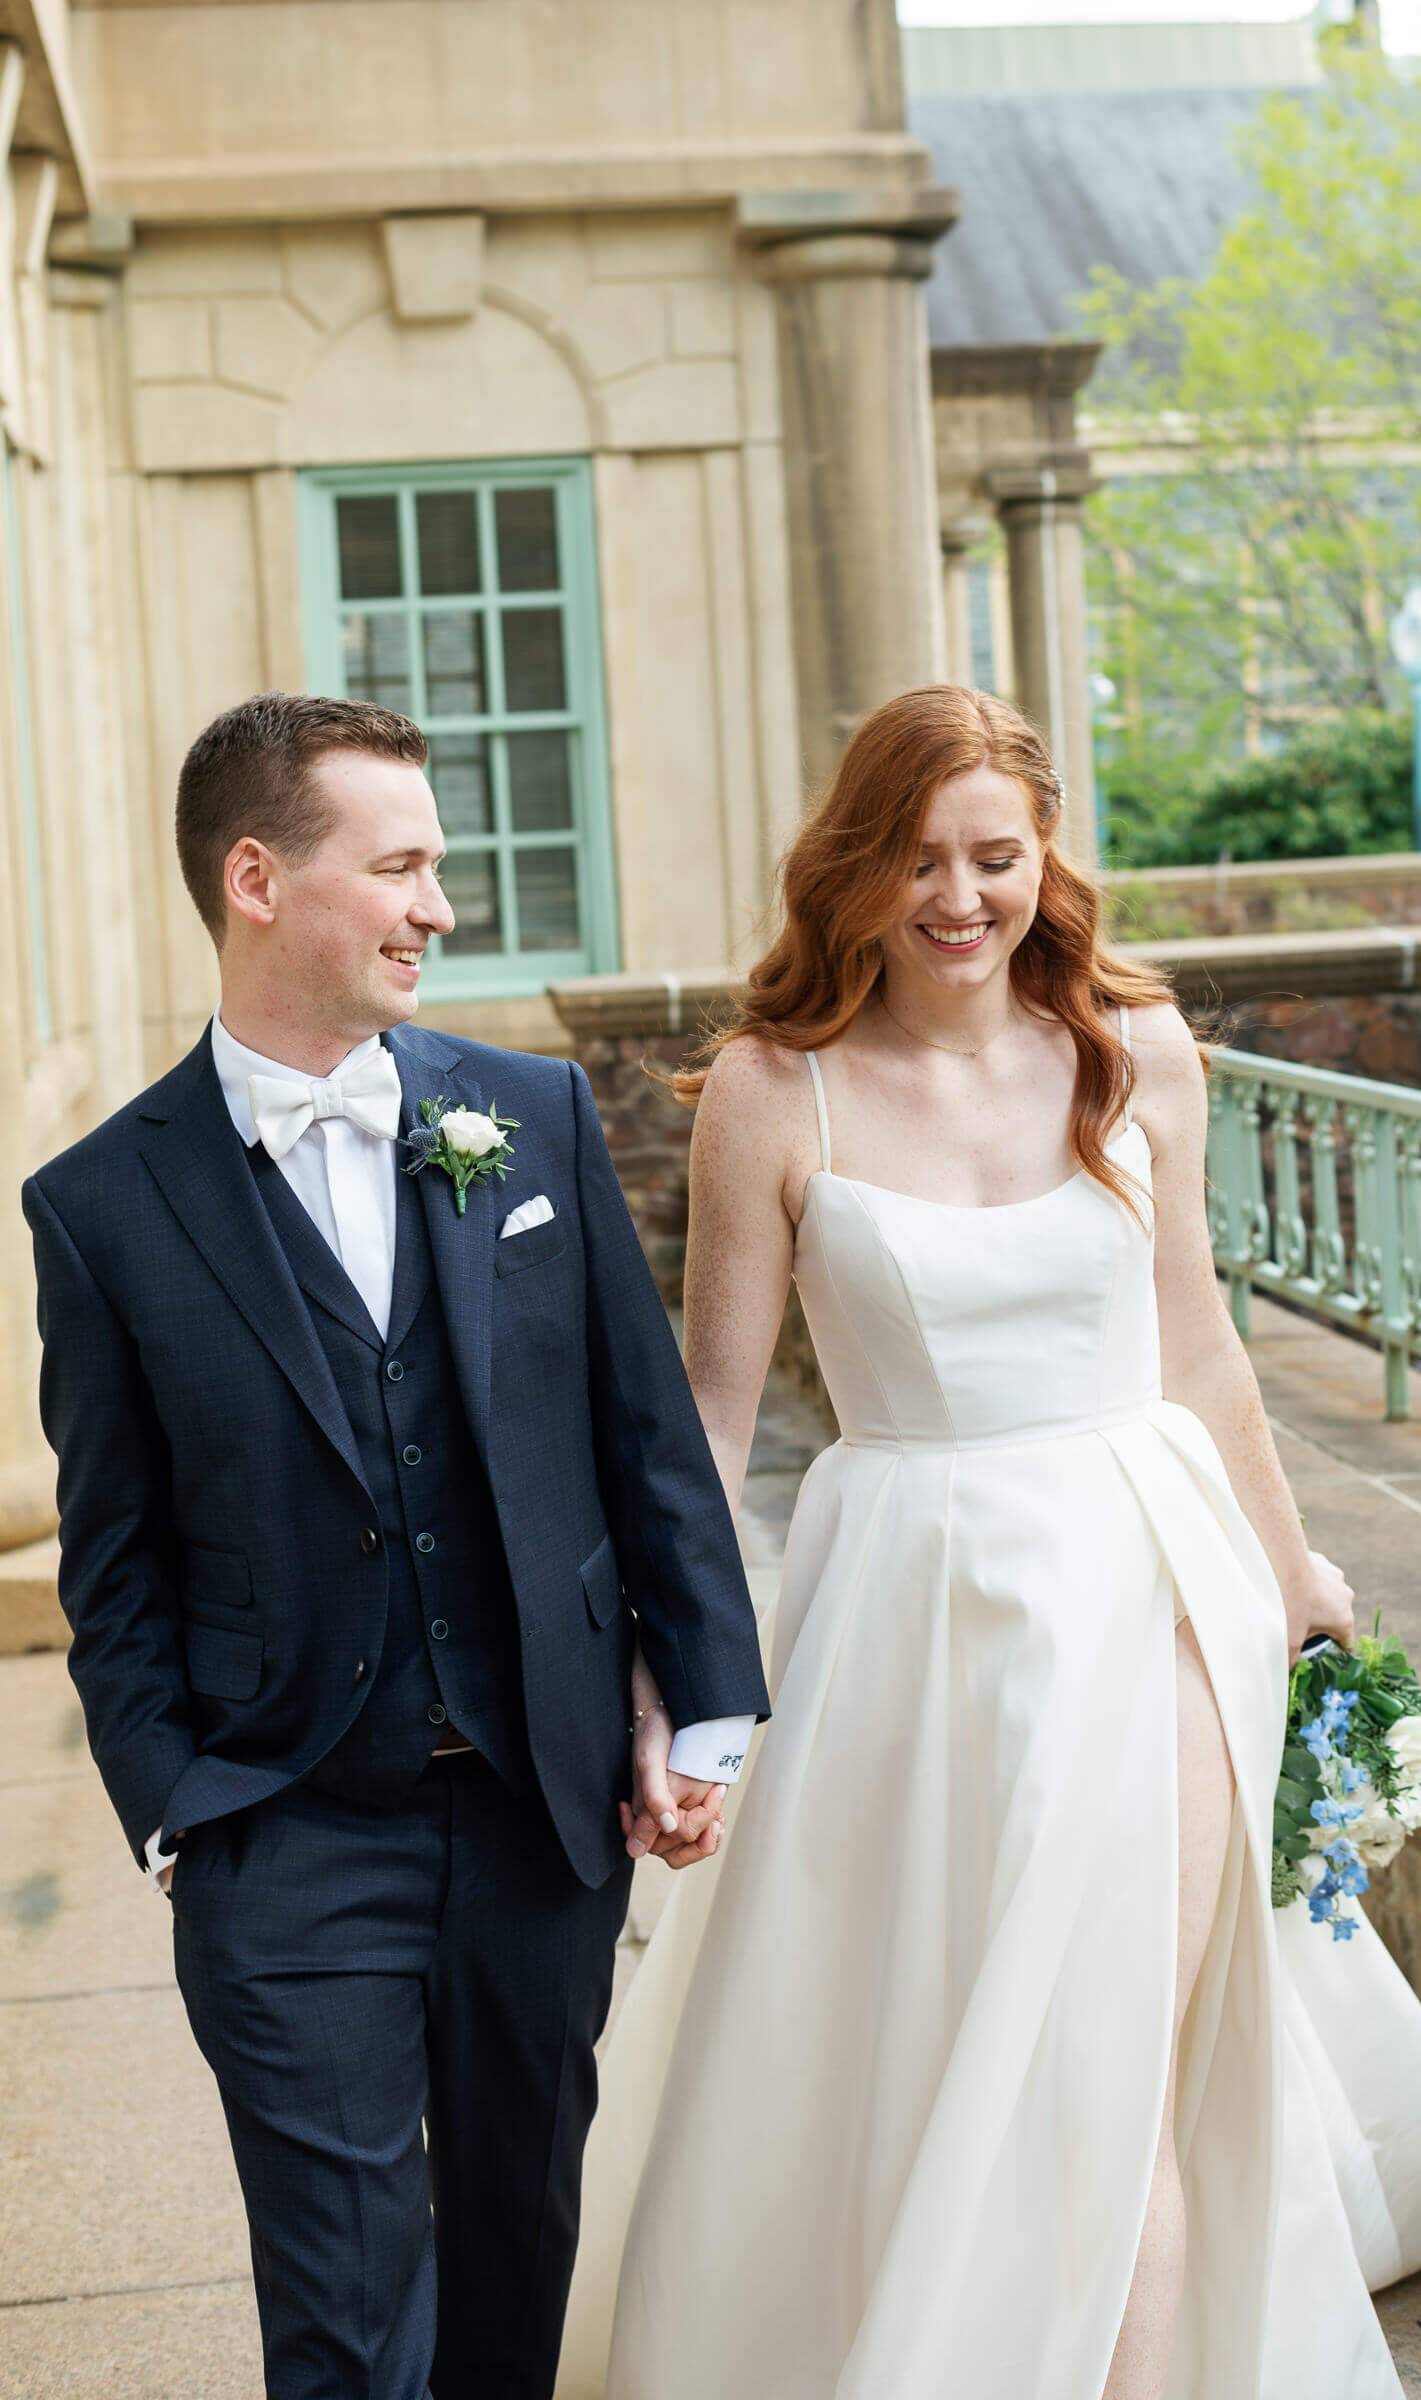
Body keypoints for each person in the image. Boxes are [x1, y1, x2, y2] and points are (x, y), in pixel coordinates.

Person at [556, 686, 1421, 2400]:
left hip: (1150, 1585)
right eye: (916, 859)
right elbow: (708, 1419)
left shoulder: (1135, 1050)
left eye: (995, 857)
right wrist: (671, 1666)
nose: (958, 897)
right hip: (896, 1614)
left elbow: (1200, 1345)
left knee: (1108, 2070)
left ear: (1045, 855)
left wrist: (1291, 1572)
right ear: (852, 867)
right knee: (920, 2053)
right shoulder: (770, 1094)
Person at [22, 692, 769, 2400]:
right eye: (406, 865)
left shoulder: (529, 1116)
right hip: (283, 1831)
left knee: (516, 2272)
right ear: (258, 877)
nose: (442, 906)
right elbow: (112, 1556)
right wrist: (176, 1815)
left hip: (539, 1816)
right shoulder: (100, 1204)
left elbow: (639, 1439)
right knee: (350, 2325)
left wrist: (696, 1703)